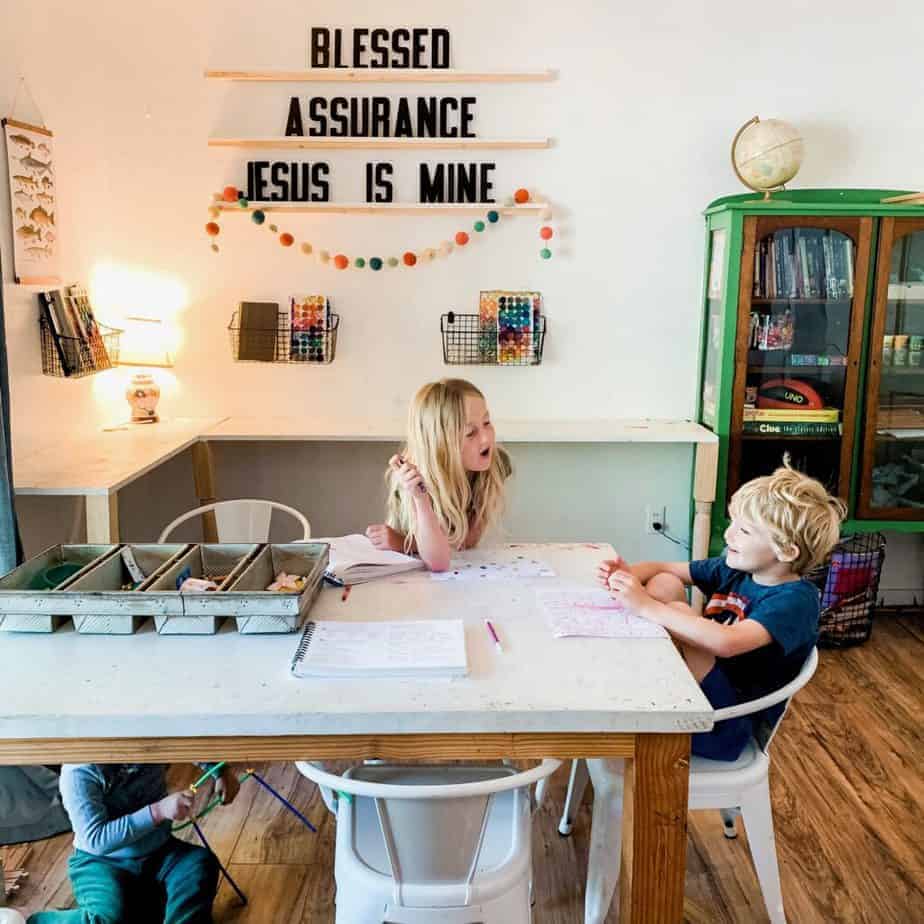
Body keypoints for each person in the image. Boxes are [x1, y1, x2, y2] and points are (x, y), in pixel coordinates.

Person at [600, 458, 845, 759]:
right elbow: (661, 567)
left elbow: (726, 643)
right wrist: (625, 577)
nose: (728, 535)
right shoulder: (738, 569)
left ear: (786, 550)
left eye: (744, 531)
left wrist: (647, 607)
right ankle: (642, 679)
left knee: (678, 610)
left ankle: (635, 686)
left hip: (724, 724)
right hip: (700, 694)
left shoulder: (795, 600)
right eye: (733, 523)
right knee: (664, 582)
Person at [28, 762, 239, 924]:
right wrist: (158, 811)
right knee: (106, 918)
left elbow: (183, 737)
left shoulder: (146, 737)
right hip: (101, 862)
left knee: (199, 865)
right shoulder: (79, 770)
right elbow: (95, 839)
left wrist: (219, 769)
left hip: (161, 852)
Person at [366, 379, 512, 571]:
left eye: (487, 422)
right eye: (470, 433)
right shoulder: (413, 479)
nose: (486, 438)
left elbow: (465, 542)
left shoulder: (495, 464)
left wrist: (405, 543)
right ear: (440, 444)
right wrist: (420, 498)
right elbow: (438, 562)